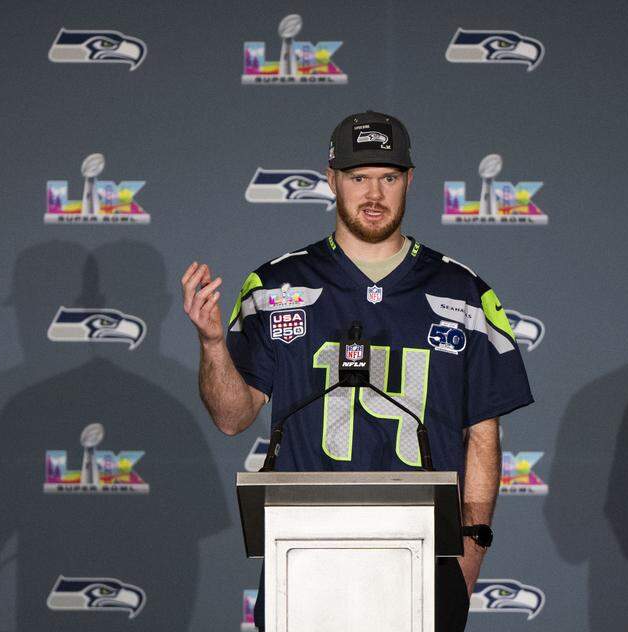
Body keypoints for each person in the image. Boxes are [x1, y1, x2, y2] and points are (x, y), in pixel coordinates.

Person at [181, 111, 534, 631]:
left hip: (424, 557)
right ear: (331, 180)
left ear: (410, 181)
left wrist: (471, 549)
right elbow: (232, 418)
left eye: (389, 178)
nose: (374, 193)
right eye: (358, 177)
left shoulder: (464, 293)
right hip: (302, 552)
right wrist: (213, 343)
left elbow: (482, 435)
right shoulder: (275, 285)